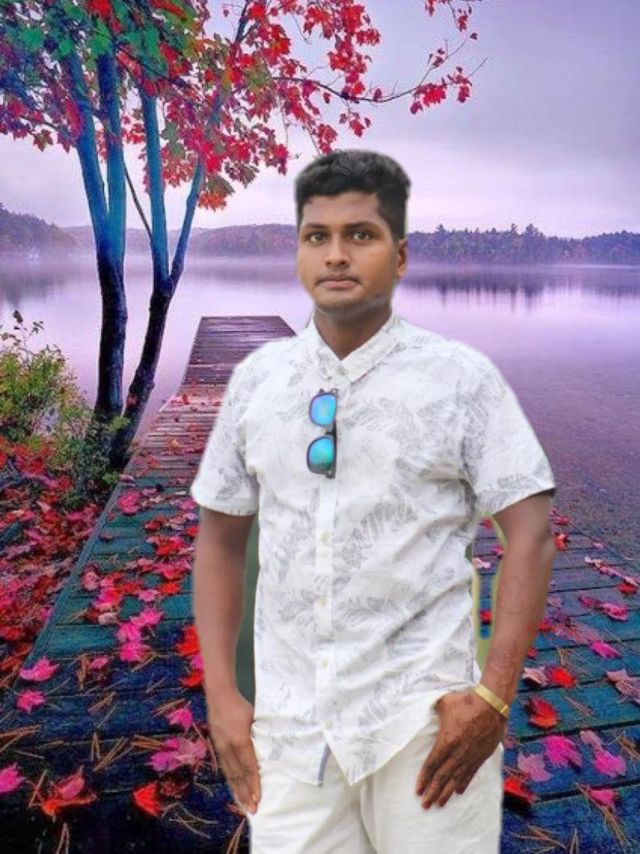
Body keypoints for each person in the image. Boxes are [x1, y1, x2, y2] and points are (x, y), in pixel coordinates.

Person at [190, 149, 557, 853]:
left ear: (401, 256)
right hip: (291, 731)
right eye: (316, 236)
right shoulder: (258, 383)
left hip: (425, 727)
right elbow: (221, 540)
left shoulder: (460, 380)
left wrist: (493, 696)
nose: (336, 254)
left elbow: (531, 532)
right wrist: (223, 694)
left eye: (361, 234)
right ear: (299, 252)